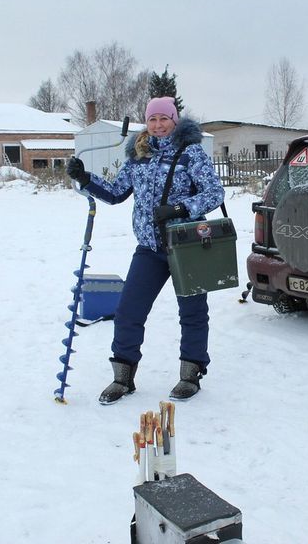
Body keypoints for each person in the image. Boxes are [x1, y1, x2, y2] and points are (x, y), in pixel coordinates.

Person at [66, 97, 225, 404]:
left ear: (175, 121)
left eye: (164, 118)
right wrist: (85, 178)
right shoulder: (140, 155)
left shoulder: (190, 153)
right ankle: (122, 377)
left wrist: (180, 207)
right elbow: (115, 193)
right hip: (150, 248)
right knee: (128, 310)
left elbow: (214, 193)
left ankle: (190, 375)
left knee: (192, 312)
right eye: (152, 120)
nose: (158, 125)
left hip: (187, 244)